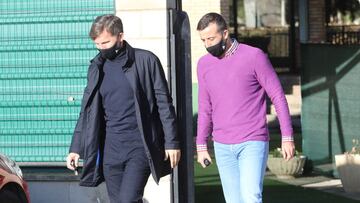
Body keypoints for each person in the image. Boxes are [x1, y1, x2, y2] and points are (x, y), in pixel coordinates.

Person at [66, 14, 181, 203]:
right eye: (97, 44)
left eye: (106, 43)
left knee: (128, 200)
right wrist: (76, 147)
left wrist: (172, 142)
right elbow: (87, 110)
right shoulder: (96, 67)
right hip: (110, 150)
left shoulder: (146, 61)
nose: (101, 49)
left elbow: (164, 104)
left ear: (120, 36)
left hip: (140, 147)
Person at [195, 12, 295, 203]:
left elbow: (278, 96)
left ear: (225, 33)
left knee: (251, 197)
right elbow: (204, 106)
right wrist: (201, 145)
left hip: (252, 141)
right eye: (203, 41)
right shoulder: (203, 65)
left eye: (211, 38)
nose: (208, 45)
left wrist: (287, 137)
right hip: (222, 145)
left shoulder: (254, 56)